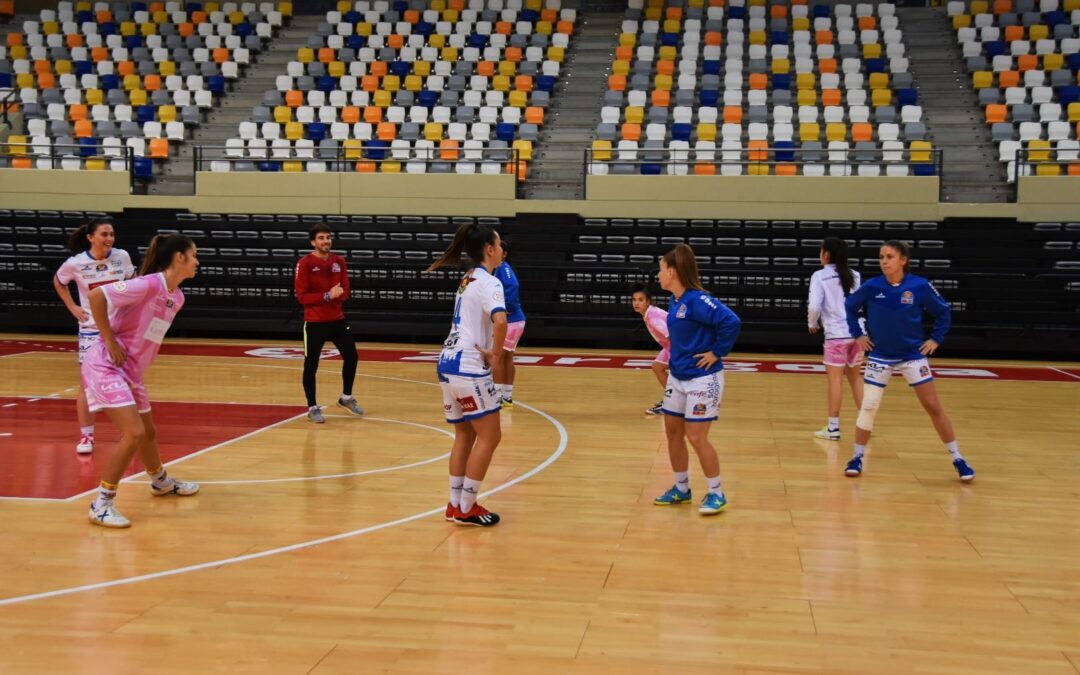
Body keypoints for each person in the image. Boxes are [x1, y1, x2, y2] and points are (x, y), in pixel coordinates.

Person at [83, 233, 201, 528]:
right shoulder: (149, 284)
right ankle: (101, 504)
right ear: (179, 258)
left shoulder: (178, 297)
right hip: (106, 365)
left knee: (148, 432)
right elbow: (97, 296)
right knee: (134, 433)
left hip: (131, 372)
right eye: (194, 255)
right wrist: (109, 340)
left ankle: (160, 482)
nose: (198, 262)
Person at [842, 240, 975, 481]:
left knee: (933, 406)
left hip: (912, 357)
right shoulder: (872, 287)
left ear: (903, 260)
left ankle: (958, 458)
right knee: (869, 406)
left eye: (889, 256)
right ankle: (857, 456)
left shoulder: (920, 286)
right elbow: (849, 307)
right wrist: (858, 334)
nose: (884, 261)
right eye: (881, 257)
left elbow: (943, 311)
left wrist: (936, 338)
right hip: (880, 356)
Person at [428, 222, 508, 527]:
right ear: (489, 249)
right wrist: (496, 354)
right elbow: (500, 321)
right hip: (470, 367)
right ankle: (468, 506)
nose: (502, 250)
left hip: (447, 362)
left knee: (464, 433)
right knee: (491, 436)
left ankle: (455, 503)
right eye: (499, 245)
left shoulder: (466, 278)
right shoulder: (491, 281)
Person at [653, 244, 741, 515]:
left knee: (696, 436)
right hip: (678, 378)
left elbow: (731, 321)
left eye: (660, 269)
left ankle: (716, 493)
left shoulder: (697, 300)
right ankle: (681, 489)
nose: (658, 275)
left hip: (703, 379)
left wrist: (717, 352)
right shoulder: (675, 301)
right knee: (672, 432)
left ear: (672, 272)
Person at [53, 217, 136, 455]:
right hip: (91, 330)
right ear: (91, 237)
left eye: (111, 234)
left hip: (120, 328)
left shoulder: (122, 257)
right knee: (86, 384)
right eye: (104, 234)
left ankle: (128, 432)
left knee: (126, 380)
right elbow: (59, 282)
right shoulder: (75, 263)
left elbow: (132, 285)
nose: (109, 239)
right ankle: (86, 436)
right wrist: (72, 307)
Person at [294, 224, 364, 423]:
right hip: (314, 322)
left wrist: (337, 296)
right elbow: (302, 296)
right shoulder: (305, 263)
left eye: (328, 237)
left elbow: (345, 290)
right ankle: (312, 407)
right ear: (313, 242)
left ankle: (346, 397)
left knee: (352, 356)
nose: (326, 241)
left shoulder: (339, 262)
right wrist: (327, 295)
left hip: (337, 320)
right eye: (321, 238)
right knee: (311, 365)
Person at [807, 237, 865, 441]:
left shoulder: (820, 276)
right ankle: (866, 424)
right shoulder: (855, 275)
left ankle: (833, 428)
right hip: (857, 335)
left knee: (835, 380)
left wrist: (812, 324)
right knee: (856, 379)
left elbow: (814, 306)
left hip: (836, 336)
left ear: (827, 254)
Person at [492, 239, 525, 409]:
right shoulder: (499, 269)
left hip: (511, 320)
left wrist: (505, 308)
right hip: (516, 321)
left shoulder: (503, 268)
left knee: (497, 357)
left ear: (504, 254)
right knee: (507, 358)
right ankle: (507, 396)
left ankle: (496, 397)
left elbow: (513, 285)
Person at [630, 283, 670, 415]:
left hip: (678, 346)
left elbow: (670, 335)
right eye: (634, 300)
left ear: (648, 301)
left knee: (664, 370)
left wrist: (680, 355)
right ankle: (671, 400)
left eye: (640, 300)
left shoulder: (652, 317)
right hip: (672, 346)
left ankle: (671, 404)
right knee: (657, 367)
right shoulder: (649, 313)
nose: (637, 303)